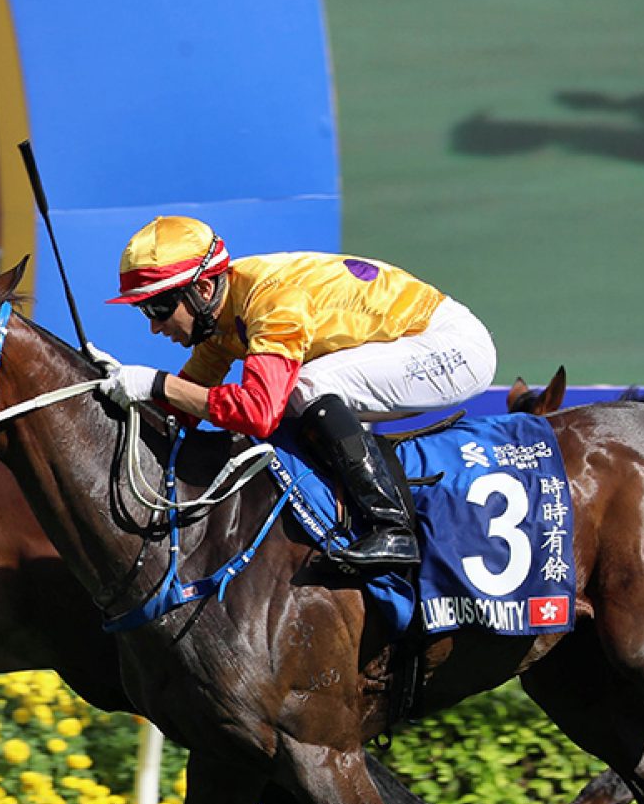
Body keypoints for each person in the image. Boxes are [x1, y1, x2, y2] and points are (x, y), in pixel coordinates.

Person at [100, 216, 497, 574]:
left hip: (451, 348)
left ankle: (392, 527)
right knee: (298, 392)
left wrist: (155, 382)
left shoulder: (272, 302)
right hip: (411, 343)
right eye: (145, 310)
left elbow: (258, 413)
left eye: (159, 308)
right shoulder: (221, 317)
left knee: (306, 386)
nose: (154, 327)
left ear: (202, 289)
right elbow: (179, 413)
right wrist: (108, 390)